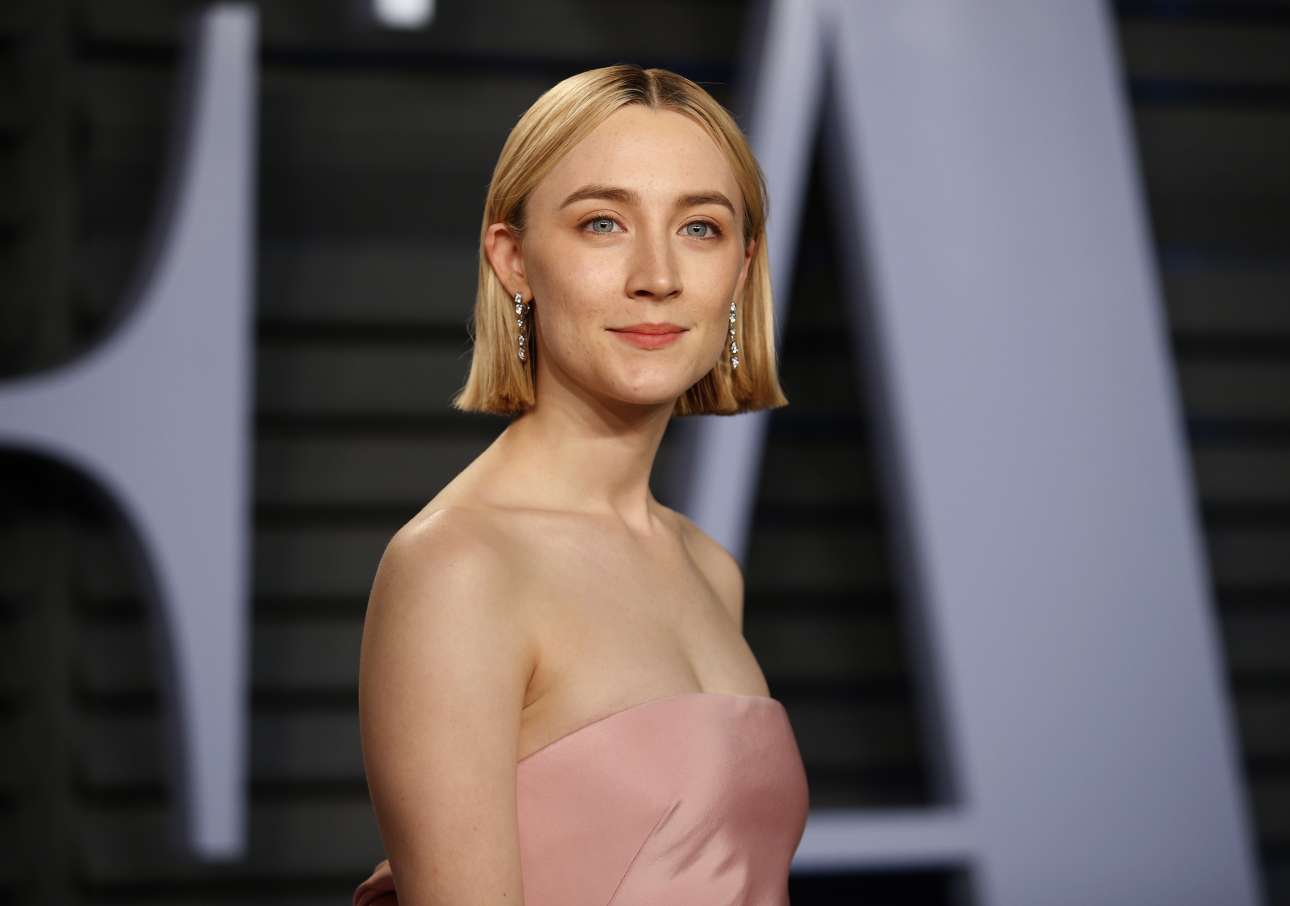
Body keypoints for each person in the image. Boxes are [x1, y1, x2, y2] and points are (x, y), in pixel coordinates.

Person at [354, 63, 809, 906]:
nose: (657, 275)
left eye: (701, 228)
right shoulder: (459, 568)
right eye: (603, 222)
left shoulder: (708, 568)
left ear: (743, 269)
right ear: (514, 260)